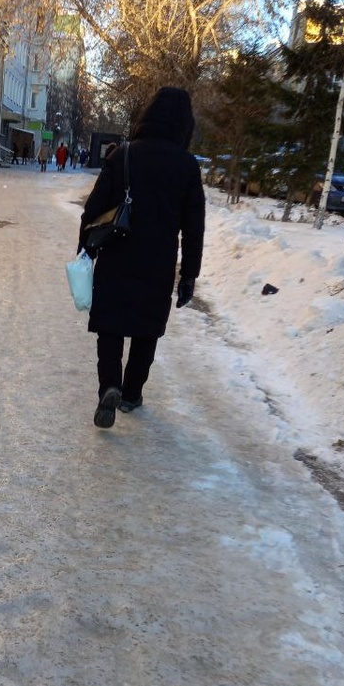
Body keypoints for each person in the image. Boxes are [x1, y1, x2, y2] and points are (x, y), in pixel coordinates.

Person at [78, 86, 205, 429]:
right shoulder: (187, 166)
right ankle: (132, 393)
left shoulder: (123, 155)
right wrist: (188, 275)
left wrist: (85, 252)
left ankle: (110, 386)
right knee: (146, 331)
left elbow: (92, 210)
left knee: (111, 327)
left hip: (116, 255)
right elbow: (194, 228)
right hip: (158, 263)